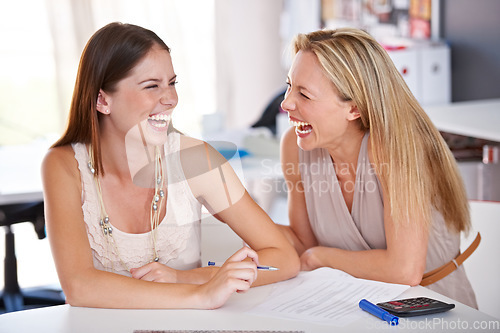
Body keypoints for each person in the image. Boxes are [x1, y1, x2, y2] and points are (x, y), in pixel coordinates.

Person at [41, 22, 299, 310]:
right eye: (152, 86)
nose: (171, 99)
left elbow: (284, 258)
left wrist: (189, 278)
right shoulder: (63, 166)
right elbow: (79, 287)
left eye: (172, 83)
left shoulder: (196, 159)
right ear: (102, 99)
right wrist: (200, 295)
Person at [278, 27, 477, 308]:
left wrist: (321, 258)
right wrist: (230, 210)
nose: (286, 103)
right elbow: (304, 242)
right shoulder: (295, 147)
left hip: (431, 310)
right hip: (354, 305)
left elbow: (404, 271)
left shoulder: (392, 148)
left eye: (304, 94)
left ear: (354, 108)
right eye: (288, 86)